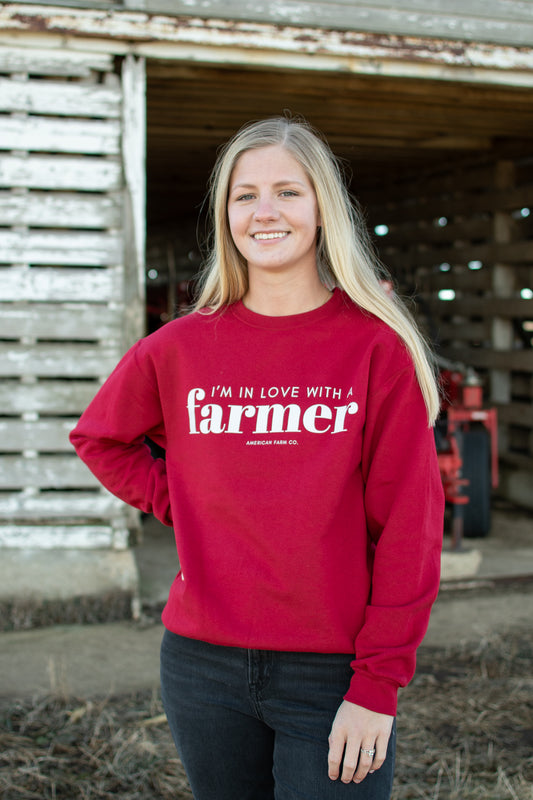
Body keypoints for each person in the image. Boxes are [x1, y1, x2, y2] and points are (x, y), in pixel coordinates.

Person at [70, 116, 444, 799]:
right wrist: (181, 504)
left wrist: (377, 683)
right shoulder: (178, 347)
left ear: (321, 209)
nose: (263, 212)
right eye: (244, 195)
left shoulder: (373, 350)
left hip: (331, 675)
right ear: (225, 216)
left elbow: (409, 533)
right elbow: (100, 438)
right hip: (201, 669)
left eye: (286, 192)